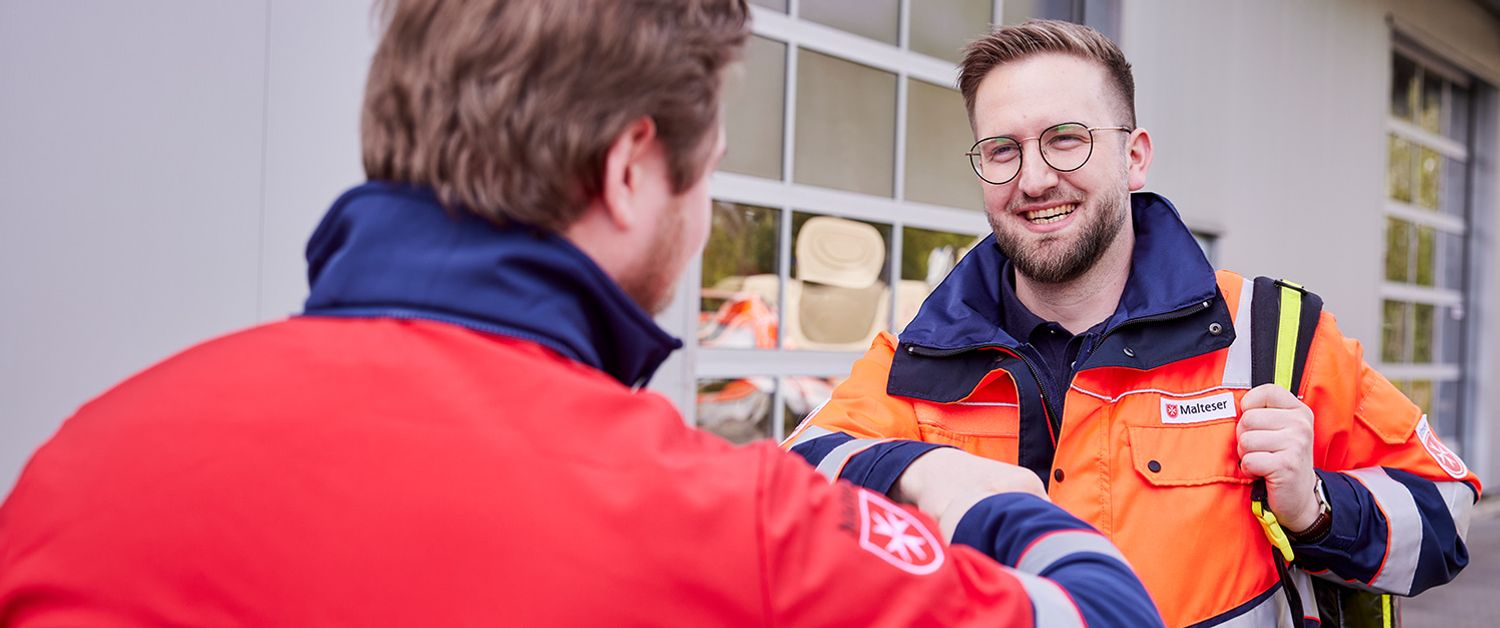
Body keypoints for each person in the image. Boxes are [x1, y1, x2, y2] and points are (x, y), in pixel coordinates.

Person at [0, 2, 1163, 625]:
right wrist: (973, 493)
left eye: (1064, 140)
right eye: (705, 173)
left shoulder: (79, 463)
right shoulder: (724, 523)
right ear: (627, 169)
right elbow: (1102, 616)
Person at [784, 19, 1481, 628]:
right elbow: (784, 490)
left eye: (1067, 140)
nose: (1033, 180)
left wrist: (1319, 507)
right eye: (1003, 150)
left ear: (1134, 156)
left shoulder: (1275, 335)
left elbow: (1447, 517)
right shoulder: (922, 352)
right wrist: (923, 470)